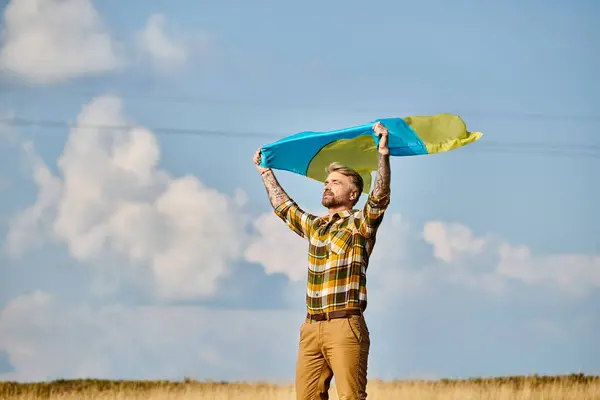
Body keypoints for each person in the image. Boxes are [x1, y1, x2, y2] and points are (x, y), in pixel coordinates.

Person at [253, 122, 391, 400]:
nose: (327, 186)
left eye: (336, 183)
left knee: (351, 397)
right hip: (311, 327)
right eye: (327, 182)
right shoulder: (316, 226)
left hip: (345, 324)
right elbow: (284, 208)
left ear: (353, 194)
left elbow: (379, 198)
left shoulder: (359, 225)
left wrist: (383, 154)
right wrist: (265, 172)